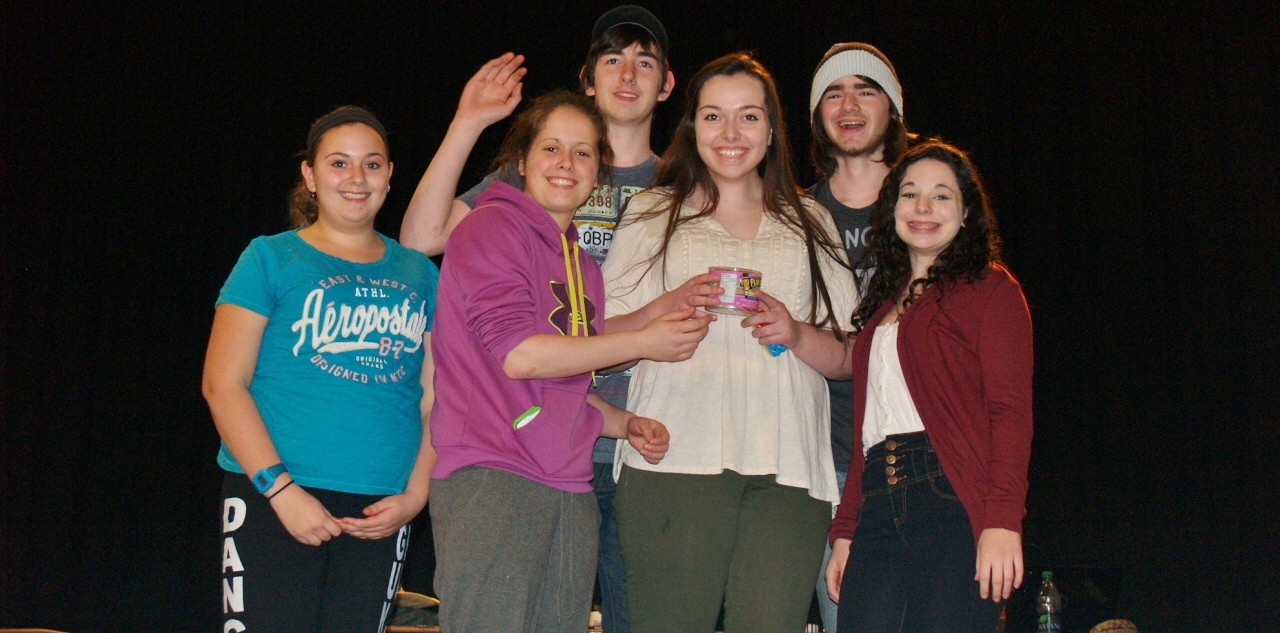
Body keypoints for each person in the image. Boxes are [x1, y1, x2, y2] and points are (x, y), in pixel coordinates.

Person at [398, 7, 681, 630]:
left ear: (598, 171)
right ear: (521, 162)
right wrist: (646, 337)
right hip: (496, 468)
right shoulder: (493, 222)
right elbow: (521, 355)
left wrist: (624, 421)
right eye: (551, 149)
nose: (566, 163)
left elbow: (563, 374)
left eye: (582, 153)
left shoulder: (583, 258)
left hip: (572, 470)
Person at [602, 52, 859, 633]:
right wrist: (663, 310)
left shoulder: (810, 221)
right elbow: (602, 340)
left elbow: (849, 356)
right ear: (692, 127)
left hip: (789, 468)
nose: (731, 133)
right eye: (713, 116)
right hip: (673, 455)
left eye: (748, 116)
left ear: (771, 130)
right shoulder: (652, 212)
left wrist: (795, 333)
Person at [203, 106, 440, 632]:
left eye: (372, 164)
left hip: (380, 510)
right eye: (338, 163)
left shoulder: (420, 273)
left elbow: (437, 399)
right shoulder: (270, 257)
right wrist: (282, 492)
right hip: (274, 496)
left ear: (389, 175)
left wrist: (415, 496)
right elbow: (223, 384)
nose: (357, 178)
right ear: (310, 175)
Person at [823, 141, 1033, 633]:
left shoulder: (990, 290)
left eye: (941, 196)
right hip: (877, 500)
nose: (923, 207)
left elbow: (1010, 412)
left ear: (966, 213)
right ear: (892, 208)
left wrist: (1002, 520)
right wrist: (846, 530)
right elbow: (867, 432)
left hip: (950, 498)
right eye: (910, 194)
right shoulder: (881, 309)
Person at [805, 41, 913, 632]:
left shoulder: (927, 205)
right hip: (826, 467)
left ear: (891, 108)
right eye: (834, 93)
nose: (848, 106)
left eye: (865, 90)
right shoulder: (793, 216)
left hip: (921, 463)